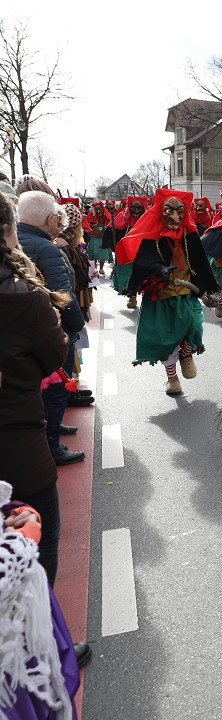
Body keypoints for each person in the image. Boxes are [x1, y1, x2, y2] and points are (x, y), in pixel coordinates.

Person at [0, 191, 71, 584]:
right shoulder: (25, 296)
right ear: (8, 230)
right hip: (16, 442)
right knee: (38, 540)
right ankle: (39, 639)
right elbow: (53, 355)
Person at [121, 189, 220, 396]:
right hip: (162, 294)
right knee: (167, 340)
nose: (175, 216)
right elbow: (143, 263)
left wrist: (206, 286)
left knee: (195, 327)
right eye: (169, 211)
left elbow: (200, 262)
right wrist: (159, 270)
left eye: (179, 211)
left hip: (186, 292)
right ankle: (172, 378)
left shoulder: (189, 235)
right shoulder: (153, 237)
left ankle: (186, 354)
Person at [1, 481, 85, 717]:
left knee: (46, 698)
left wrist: (16, 511)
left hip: (23, 628)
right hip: (10, 650)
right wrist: (21, 541)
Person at [16, 191, 87, 466]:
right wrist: (77, 326)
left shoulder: (17, 240)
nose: (60, 222)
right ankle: (52, 446)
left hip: (21, 331)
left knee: (39, 389)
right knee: (56, 387)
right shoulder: (46, 248)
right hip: (50, 329)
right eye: (58, 217)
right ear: (49, 218)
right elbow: (62, 294)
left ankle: (52, 430)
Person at [109, 196, 148, 310]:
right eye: (134, 208)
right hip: (127, 253)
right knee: (129, 276)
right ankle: (132, 297)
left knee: (144, 277)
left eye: (139, 208)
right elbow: (112, 231)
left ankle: (145, 296)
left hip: (143, 253)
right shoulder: (123, 218)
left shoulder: (147, 219)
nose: (136, 211)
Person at [85, 201, 114, 275]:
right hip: (94, 238)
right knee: (94, 255)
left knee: (103, 255)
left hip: (103, 238)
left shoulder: (105, 217)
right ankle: (94, 268)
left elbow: (110, 220)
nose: (98, 211)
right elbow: (87, 222)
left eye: (100, 209)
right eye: (96, 209)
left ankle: (101, 268)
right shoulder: (93, 217)